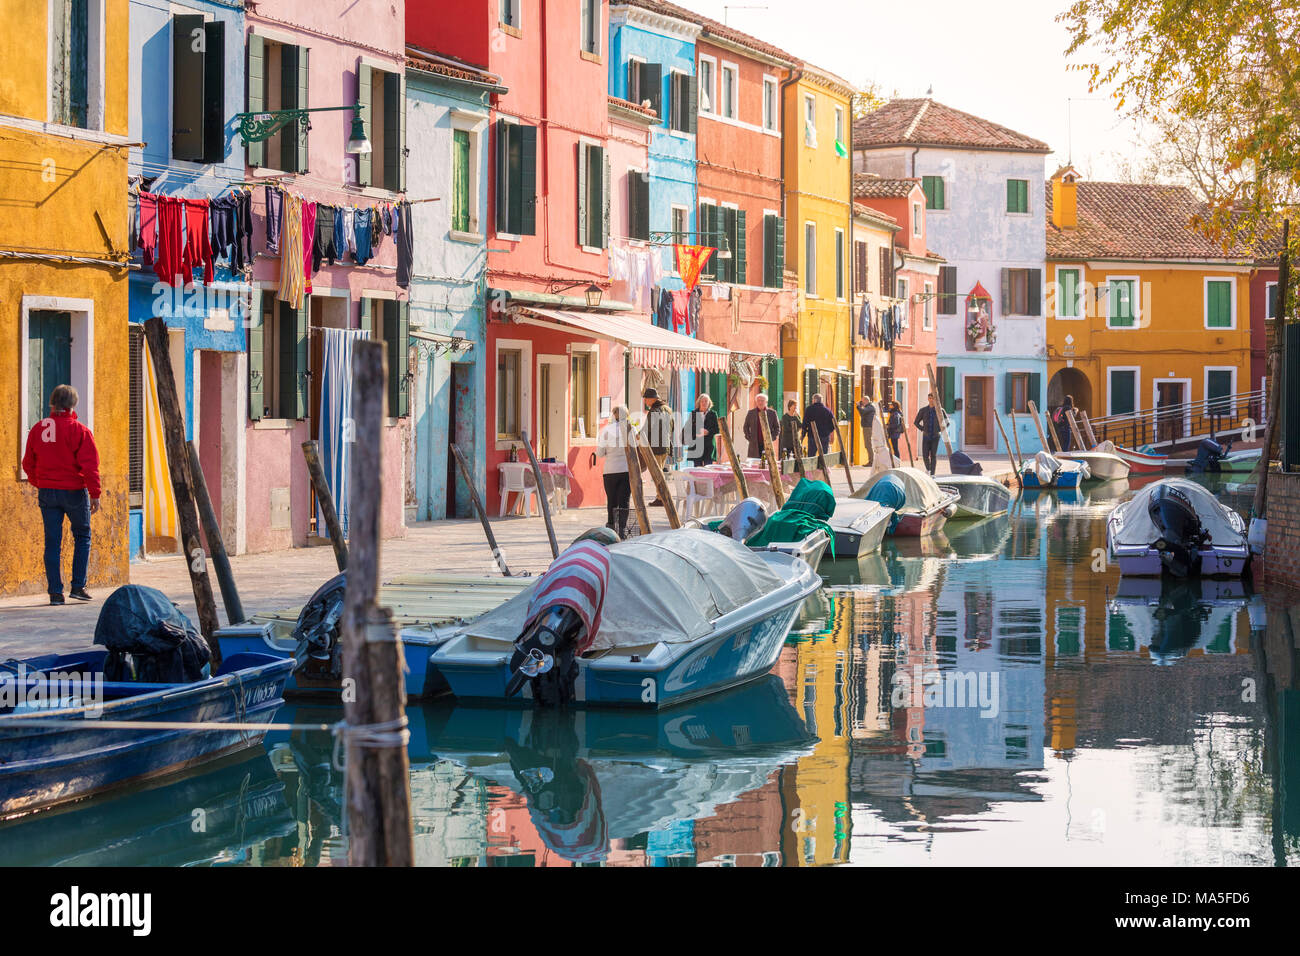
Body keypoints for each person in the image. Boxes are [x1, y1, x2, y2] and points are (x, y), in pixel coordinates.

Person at [22, 384, 101, 606]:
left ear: (52, 403)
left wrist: (40, 483)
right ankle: (78, 586)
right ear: (73, 404)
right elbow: (90, 466)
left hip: (47, 492)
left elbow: (28, 463)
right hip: (74, 492)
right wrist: (95, 494)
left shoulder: (38, 429)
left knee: (52, 543)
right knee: (82, 536)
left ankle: (55, 593)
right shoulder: (80, 431)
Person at [596, 406, 632, 538]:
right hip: (626, 470)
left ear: (614, 415)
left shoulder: (605, 431)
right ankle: (622, 529)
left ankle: (611, 528)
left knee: (611, 500)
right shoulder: (631, 429)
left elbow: (599, 453)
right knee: (624, 500)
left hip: (610, 471)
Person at [640, 387, 675, 505]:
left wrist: (637, 435)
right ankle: (661, 496)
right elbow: (673, 427)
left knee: (657, 473)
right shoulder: (668, 409)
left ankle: (661, 498)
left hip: (656, 447)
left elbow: (646, 428)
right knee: (659, 471)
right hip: (665, 445)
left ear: (652, 399)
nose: (645, 401)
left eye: (646, 399)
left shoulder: (654, 411)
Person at [683, 394, 719, 466]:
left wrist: (708, 432)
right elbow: (687, 428)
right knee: (697, 469)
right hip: (696, 445)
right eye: (702, 401)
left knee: (708, 468)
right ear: (699, 402)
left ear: (709, 403)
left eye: (706, 401)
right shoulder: (694, 414)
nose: (704, 403)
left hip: (709, 446)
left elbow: (717, 429)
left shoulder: (713, 414)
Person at [742, 393, 780, 460]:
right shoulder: (751, 413)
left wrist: (771, 438)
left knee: (768, 463)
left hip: (767, 444)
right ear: (756, 402)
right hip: (754, 444)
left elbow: (777, 428)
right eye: (758, 400)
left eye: (762, 400)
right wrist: (749, 438)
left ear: (766, 402)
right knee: (754, 463)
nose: (760, 402)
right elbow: (746, 427)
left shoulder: (772, 413)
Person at [914, 392, 942, 476]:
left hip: (935, 436)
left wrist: (938, 430)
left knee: (933, 455)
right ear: (928, 399)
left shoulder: (940, 410)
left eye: (932, 398)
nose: (931, 400)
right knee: (925, 455)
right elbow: (916, 422)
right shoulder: (923, 410)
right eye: (930, 398)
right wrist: (923, 429)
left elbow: (947, 422)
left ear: (935, 399)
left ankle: (932, 473)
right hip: (926, 436)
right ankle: (928, 469)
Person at [801, 393, 836, 457]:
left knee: (811, 456)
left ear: (814, 400)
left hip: (812, 436)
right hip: (824, 436)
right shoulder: (827, 411)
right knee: (824, 456)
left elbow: (804, 423)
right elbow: (834, 424)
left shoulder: (809, 409)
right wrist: (828, 431)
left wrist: (803, 435)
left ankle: (812, 467)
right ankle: (823, 467)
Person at [855, 396, 877, 467]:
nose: (862, 402)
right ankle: (871, 461)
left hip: (868, 428)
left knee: (868, 444)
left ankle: (872, 461)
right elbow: (862, 413)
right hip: (866, 427)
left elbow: (863, 412)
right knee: (867, 444)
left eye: (862, 401)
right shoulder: (868, 407)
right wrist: (859, 407)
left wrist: (858, 406)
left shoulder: (870, 407)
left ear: (866, 401)